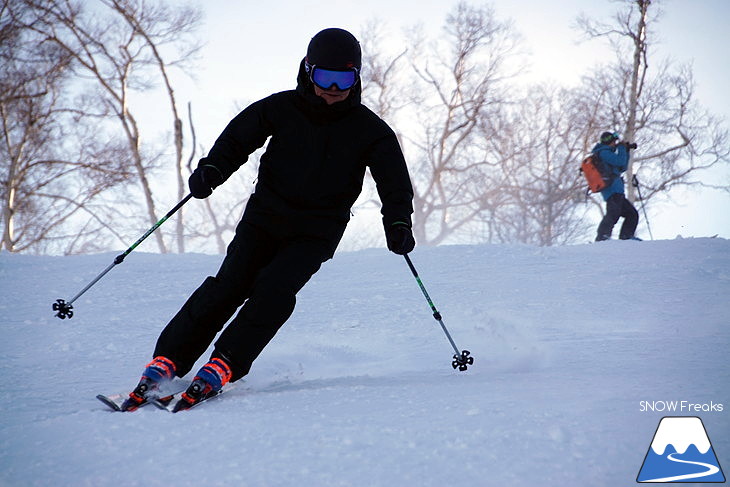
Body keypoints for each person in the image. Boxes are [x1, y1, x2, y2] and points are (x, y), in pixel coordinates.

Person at [121, 28, 415, 411]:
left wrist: (398, 222)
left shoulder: (370, 130)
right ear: (308, 72)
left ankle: (225, 362)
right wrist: (212, 169)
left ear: (357, 79)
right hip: (265, 218)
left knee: (274, 290)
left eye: (344, 79)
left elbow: (393, 181)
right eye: (325, 77)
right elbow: (238, 139)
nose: (333, 88)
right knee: (230, 284)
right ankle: (170, 359)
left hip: (316, 232)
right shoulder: (280, 108)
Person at [593, 131, 640, 242]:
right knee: (613, 214)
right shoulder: (603, 152)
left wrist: (626, 151)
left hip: (617, 190)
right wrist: (622, 149)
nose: (615, 143)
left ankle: (626, 237)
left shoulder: (608, 153)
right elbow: (619, 161)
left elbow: (623, 167)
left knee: (632, 214)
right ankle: (602, 237)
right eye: (614, 141)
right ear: (609, 141)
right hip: (612, 190)